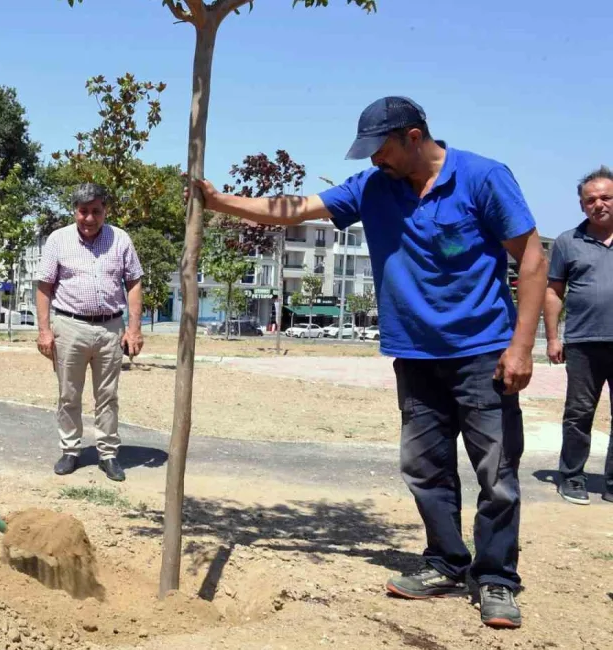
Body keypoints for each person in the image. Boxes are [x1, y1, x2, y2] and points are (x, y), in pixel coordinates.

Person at [191, 97, 547, 629]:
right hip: (415, 356)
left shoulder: (483, 178)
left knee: (496, 473)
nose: (372, 160)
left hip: (482, 354)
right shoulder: (372, 188)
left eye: (379, 148)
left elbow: (534, 259)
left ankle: (496, 578)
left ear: (412, 136)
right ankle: (447, 563)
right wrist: (223, 204)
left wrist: (521, 348)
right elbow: (297, 207)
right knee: (425, 469)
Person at [36, 183, 144, 482]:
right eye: (83, 211)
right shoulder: (58, 240)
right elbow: (44, 286)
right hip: (69, 327)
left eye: (96, 211)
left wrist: (134, 329)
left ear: (105, 211)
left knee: (107, 395)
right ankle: (70, 450)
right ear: (75, 211)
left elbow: (134, 283)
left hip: (111, 328)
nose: (89, 218)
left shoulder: (120, 239)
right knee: (68, 394)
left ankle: (108, 454)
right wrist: (44, 331)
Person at [544, 166, 613, 505]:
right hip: (583, 342)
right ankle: (571, 477)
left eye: (606, 197)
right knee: (579, 413)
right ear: (582, 205)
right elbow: (554, 292)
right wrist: (554, 338)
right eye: (590, 200)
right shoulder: (566, 242)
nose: (598, 204)